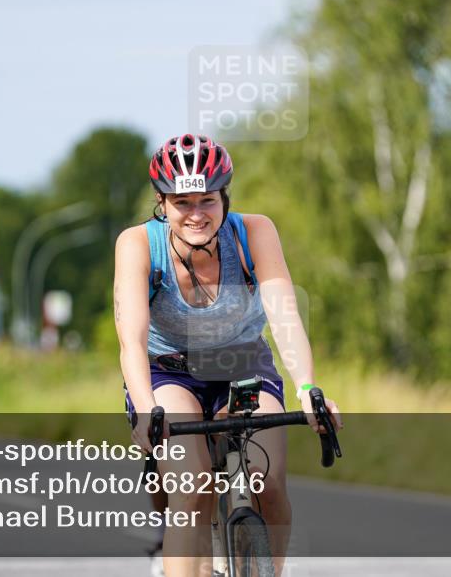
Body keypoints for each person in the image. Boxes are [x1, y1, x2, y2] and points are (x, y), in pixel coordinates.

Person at [114, 134, 342, 577]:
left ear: (225, 197)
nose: (196, 214)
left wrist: (309, 389)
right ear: (162, 202)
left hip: (242, 364)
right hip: (169, 373)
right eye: (183, 203)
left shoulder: (254, 232)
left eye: (208, 200)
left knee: (268, 481)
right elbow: (132, 340)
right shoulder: (138, 244)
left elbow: (285, 318)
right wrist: (146, 411)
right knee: (192, 488)